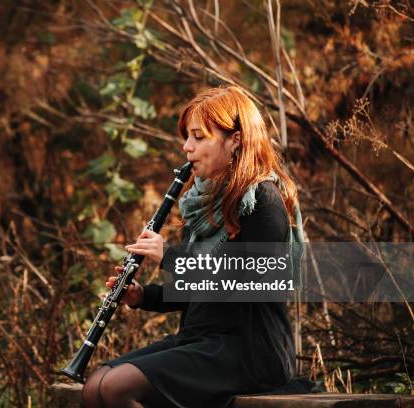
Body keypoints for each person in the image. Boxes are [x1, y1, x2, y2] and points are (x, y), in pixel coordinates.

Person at [81, 85, 304, 408]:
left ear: (235, 141)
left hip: (250, 349)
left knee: (116, 388)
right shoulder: (203, 204)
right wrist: (144, 297)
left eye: (199, 137)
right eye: (187, 137)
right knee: (95, 385)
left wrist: (169, 257)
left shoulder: (263, 200)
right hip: (201, 341)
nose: (187, 147)